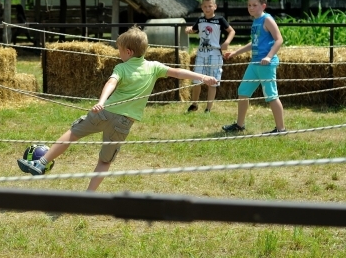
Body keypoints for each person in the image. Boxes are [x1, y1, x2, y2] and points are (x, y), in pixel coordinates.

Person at [17, 27, 218, 191]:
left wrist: (102, 101)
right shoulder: (154, 66)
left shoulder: (121, 68)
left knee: (72, 133)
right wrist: (202, 78)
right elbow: (178, 73)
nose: (118, 53)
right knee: (105, 161)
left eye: (119, 50)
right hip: (123, 123)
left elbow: (111, 84)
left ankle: (42, 162)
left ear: (128, 52)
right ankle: (88, 196)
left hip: (104, 112)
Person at [222, 0, 286, 134]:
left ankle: (281, 129)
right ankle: (239, 125)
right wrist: (235, 53)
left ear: (263, 6)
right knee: (243, 92)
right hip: (255, 63)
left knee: (271, 96)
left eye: (254, 5)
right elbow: (254, 43)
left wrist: (269, 57)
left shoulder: (267, 19)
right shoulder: (256, 21)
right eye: (249, 5)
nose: (251, 8)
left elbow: (279, 39)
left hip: (266, 64)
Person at [185, 0, 235, 113]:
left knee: (212, 82)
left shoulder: (220, 20)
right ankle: (194, 104)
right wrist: (188, 30)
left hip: (215, 53)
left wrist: (227, 42)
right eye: (205, 6)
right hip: (201, 54)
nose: (207, 9)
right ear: (202, 8)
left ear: (215, 7)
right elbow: (193, 29)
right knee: (196, 79)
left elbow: (232, 31)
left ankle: (208, 108)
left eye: (210, 6)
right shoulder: (200, 20)